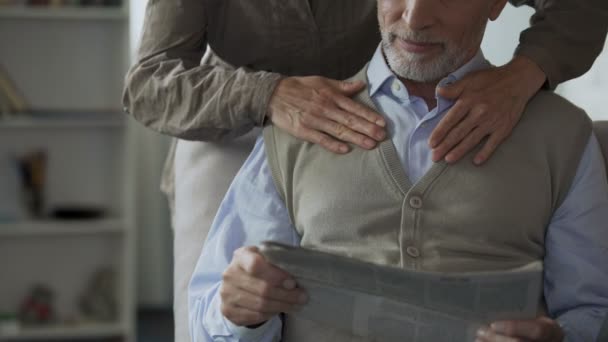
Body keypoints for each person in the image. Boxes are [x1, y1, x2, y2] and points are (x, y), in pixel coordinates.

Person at [122, 1, 608, 341]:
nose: (417, 13)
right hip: (240, 119)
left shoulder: (561, 137)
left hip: (394, 93)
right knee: (219, 304)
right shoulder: (276, 142)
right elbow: (148, 83)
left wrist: (523, 75)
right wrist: (268, 96)